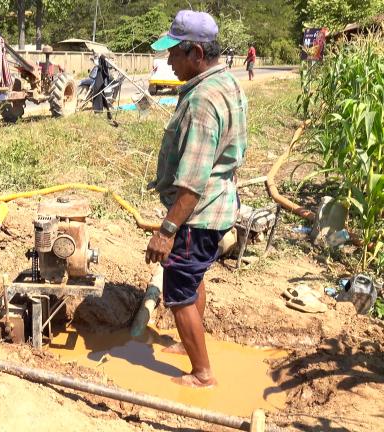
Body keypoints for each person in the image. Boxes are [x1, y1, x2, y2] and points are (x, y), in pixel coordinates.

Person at [148, 10, 247, 388]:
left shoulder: (202, 101)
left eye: (175, 52)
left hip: (198, 213)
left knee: (179, 291)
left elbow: (191, 182)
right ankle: (187, 343)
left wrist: (166, 230)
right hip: (220, 205)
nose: (169, 60)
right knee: (192, 277)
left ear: (197, 54)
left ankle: (203, 373)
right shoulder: (227, 83)